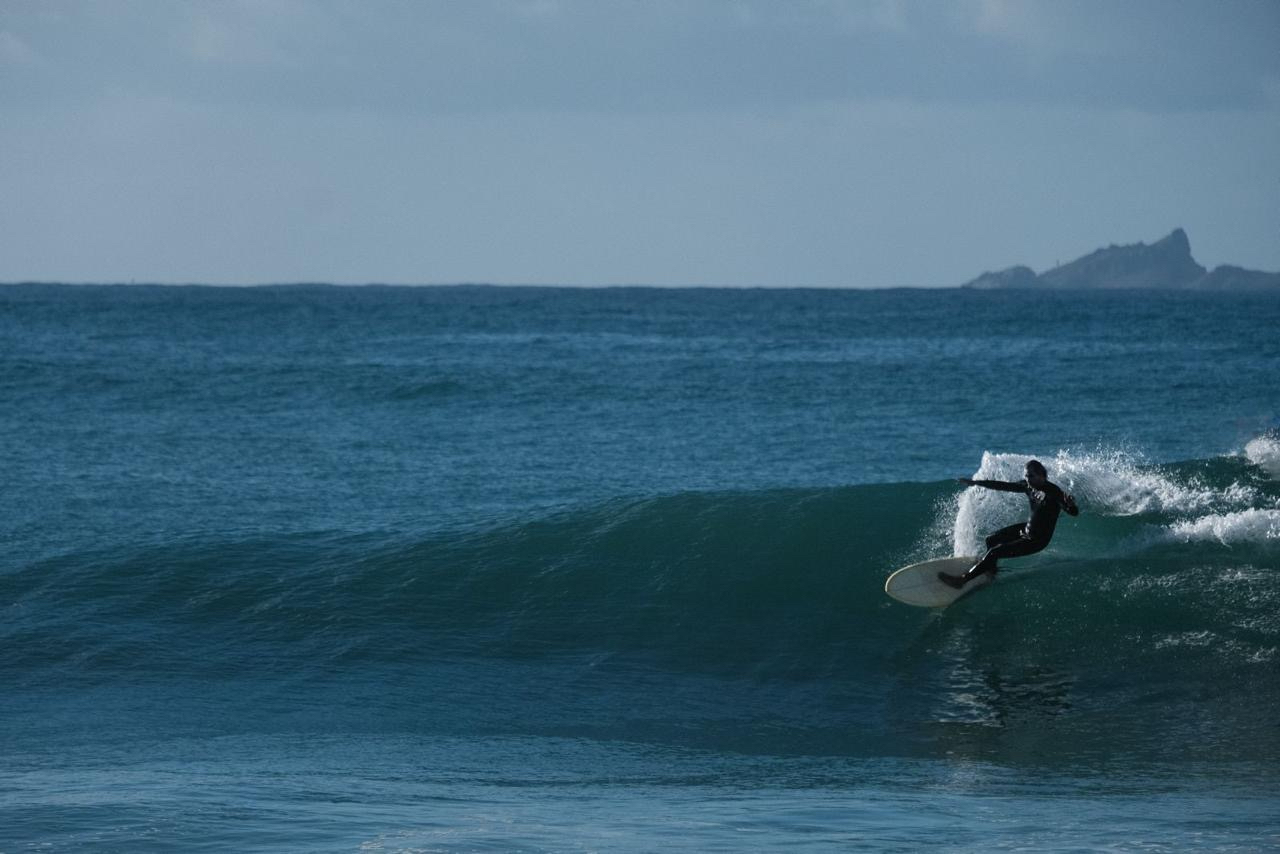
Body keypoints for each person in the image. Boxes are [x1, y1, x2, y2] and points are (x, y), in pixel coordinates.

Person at [939, 459, 1079, 589]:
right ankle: (990, 572)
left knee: (994, 552)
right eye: (1026, 476)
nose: (1027, 479)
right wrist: (976, 483)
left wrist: (1070, 505)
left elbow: (1072, 512)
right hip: (1026, 529)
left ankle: (962, 580)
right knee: (991, 540)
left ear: (1042, 476)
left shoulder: (1054, 492)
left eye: (1031, 476)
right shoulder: (1028, 486)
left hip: (1037, 540)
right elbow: (1003, 486)